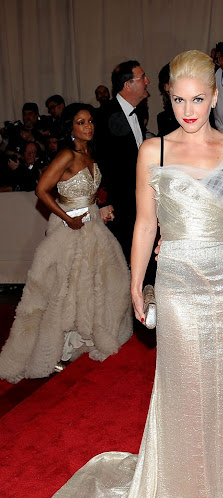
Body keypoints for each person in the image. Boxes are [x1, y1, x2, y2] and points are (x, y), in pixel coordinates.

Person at [40, 50, 223, 498]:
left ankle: (217, 490)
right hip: (177, 279)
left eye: (198, 98)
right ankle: (175, 489)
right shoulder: (152, 151)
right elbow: (145, 224)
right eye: (178, 99)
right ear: (167, 98)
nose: (188, 109)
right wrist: (136, 284)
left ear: (215, 96)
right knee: (182, 386)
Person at [0, 103, 132, 383]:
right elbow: (41, 190)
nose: (88, 126)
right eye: (81, 122)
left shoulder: (89, 154)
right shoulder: (66, 155)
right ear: (70, 128)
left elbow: (89, 192)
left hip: (92, 228)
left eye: (90, 121)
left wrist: (101, 208)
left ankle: (83, 341)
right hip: (70, 231)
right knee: (65, 290)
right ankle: (57, 351)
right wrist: (67, 219)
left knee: (97, 285)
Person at [96, 60, 150, 262]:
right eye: (142, 77)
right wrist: (103, 201)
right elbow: (98, 160)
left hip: (138, 199)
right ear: (128, 85)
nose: (147, 81)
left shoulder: (138, 112)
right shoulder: (105, 114)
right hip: (117, 204)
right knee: (121, 259)